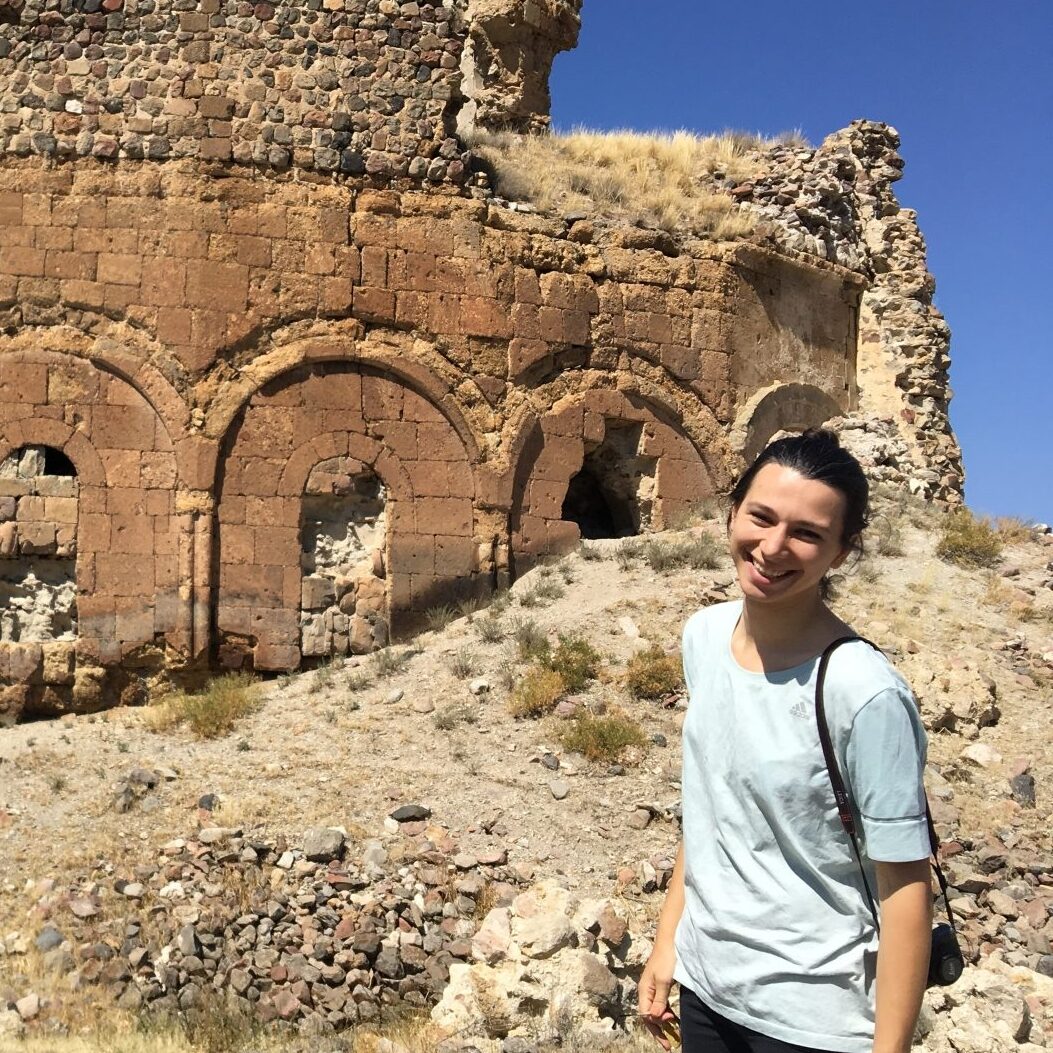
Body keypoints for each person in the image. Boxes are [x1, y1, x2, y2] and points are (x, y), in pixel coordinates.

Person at [638, 429, 933, 1053]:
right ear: (731, 514)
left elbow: (905, 888)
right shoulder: (704, 636)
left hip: (812, 1016)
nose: (772, 548)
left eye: (807, 534)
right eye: (761, 517)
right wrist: (669, 942)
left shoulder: (865, 692)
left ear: (842, 552)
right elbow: (712, 810)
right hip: (707, 989)